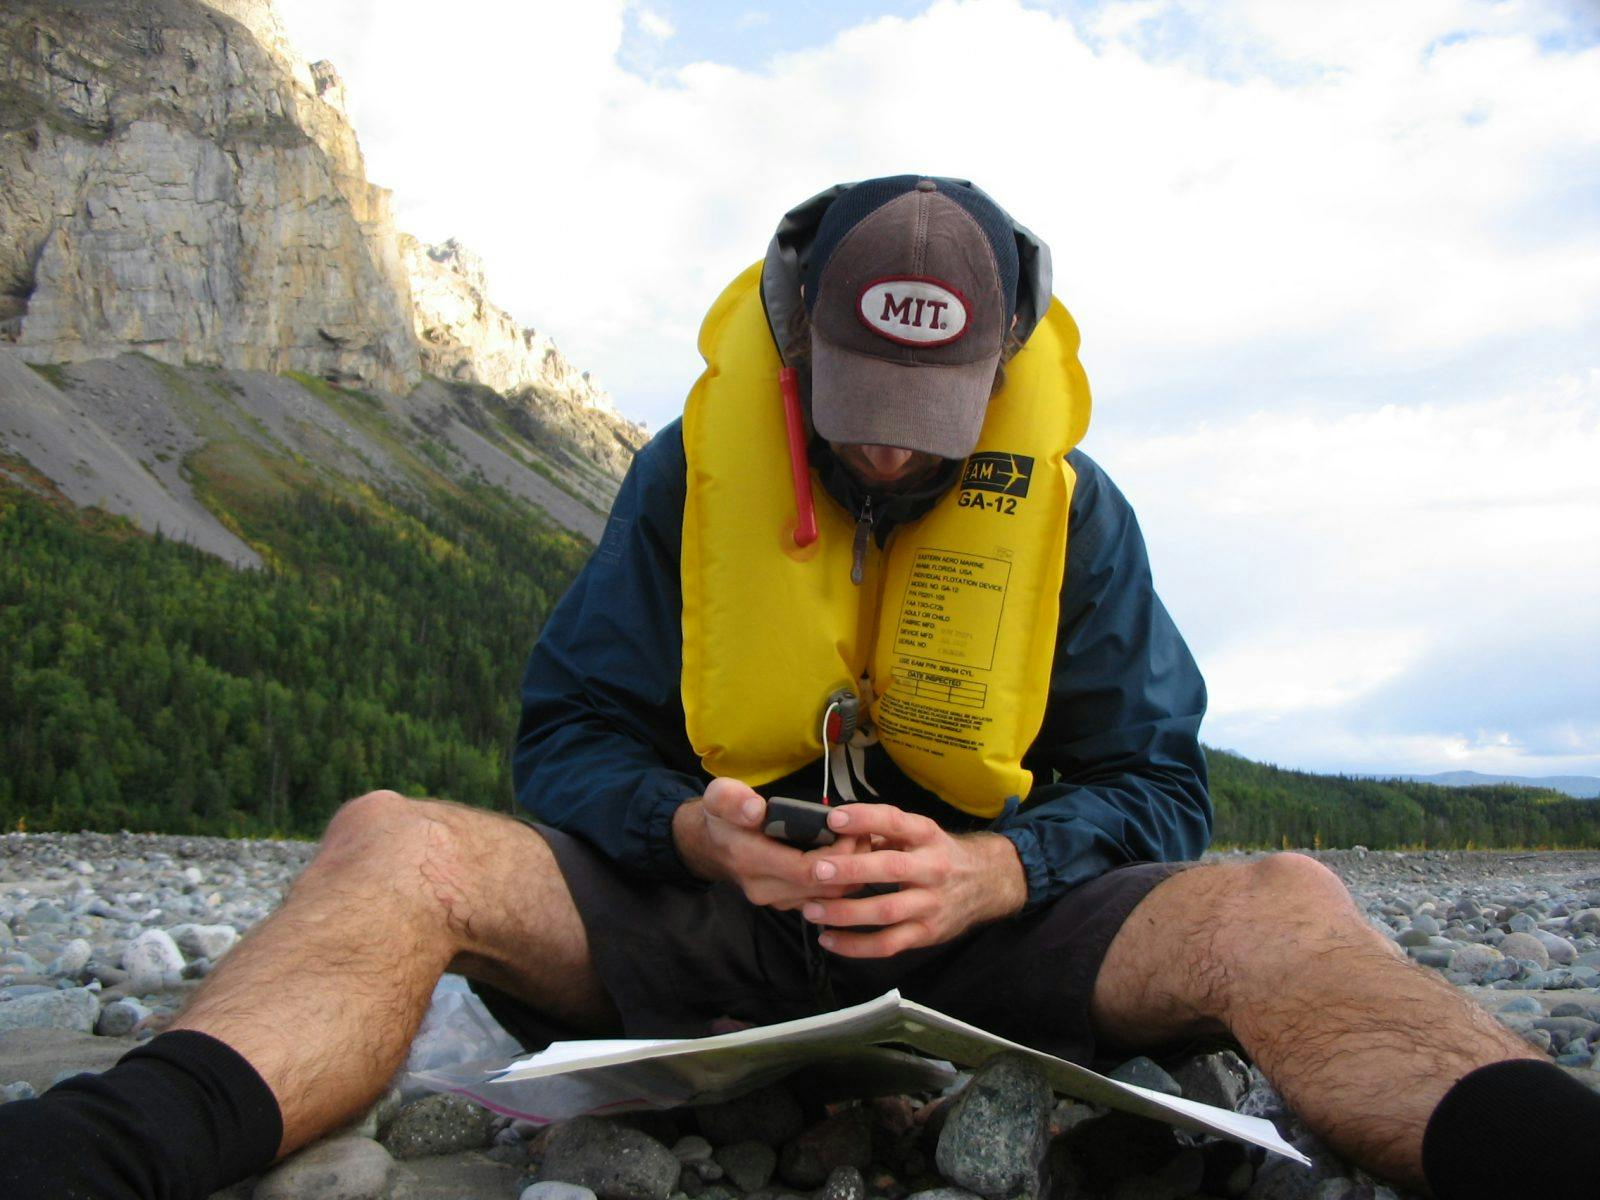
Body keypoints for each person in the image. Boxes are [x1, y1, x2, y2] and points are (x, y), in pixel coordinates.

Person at [1, 176, 1594, 1200]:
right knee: (389, 838)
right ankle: (93, 1158)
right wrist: (687, 833)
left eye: (933, 408)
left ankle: (1539, 1152)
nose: (890, 447)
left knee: (1284, 894)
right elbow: (562, 739)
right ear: (790, 341)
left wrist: (1000, 866)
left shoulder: (1075, 512)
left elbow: (1164, 790)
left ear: (1007, 365)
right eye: (855, 403)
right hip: (703, 922)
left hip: (993, 950)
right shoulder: (686, 481)